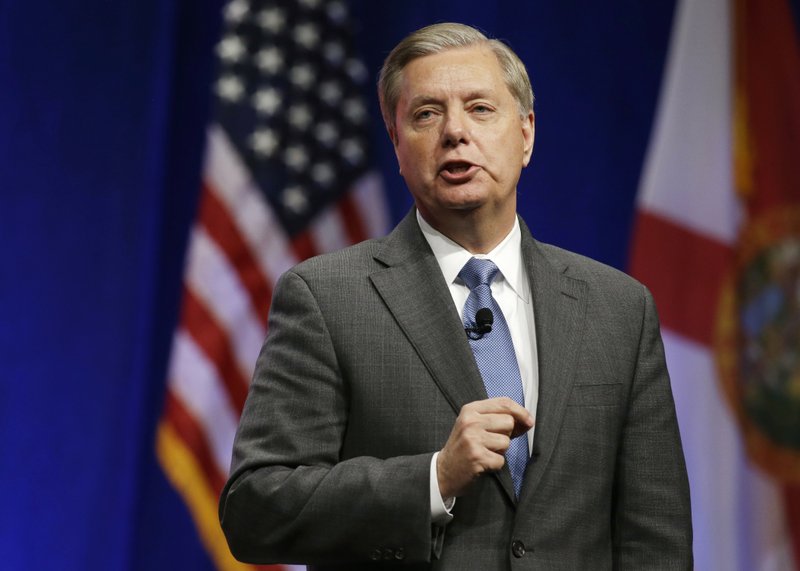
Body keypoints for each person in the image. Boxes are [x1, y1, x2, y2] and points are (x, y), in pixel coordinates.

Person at [219, 22, 692, 570]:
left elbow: (656, 538)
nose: (454, 132)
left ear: (526, 134)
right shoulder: (326, 299)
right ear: (397, 145)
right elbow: (255, 509)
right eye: (425, 114)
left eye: (480, 108)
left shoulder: (619, 308)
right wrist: (433, 478)